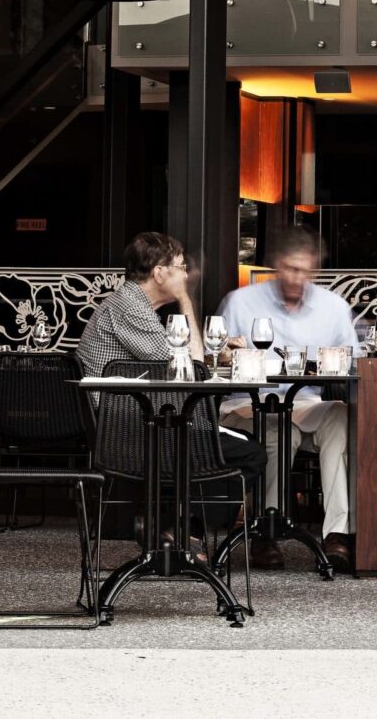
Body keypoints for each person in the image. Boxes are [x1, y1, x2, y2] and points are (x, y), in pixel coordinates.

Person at [77, 231, 264, 542]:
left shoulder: (134, 305)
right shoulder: (131, 307)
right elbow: (191, 365)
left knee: (226, 446)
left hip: (137, 422)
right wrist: (185, 298)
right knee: (249, 452)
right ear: (159, 273)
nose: (186, 274)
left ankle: (175, 528)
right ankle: (179, 529)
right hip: (131, 429)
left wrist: (215, 351)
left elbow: (187, 359)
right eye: (180, 267)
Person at [218, 226, 357, 571]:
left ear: (313, 270)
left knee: (342, 416)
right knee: (280, 429)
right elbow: (215, 353)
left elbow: (354, 360)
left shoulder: (333, 307)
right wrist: (226, 350)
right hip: (247, 404)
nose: (296, 277)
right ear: (277, 266)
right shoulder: (242, 302)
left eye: (304, 270)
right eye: (290, 268)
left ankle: (337, 535)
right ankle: (267, 530)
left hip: (306, 403)